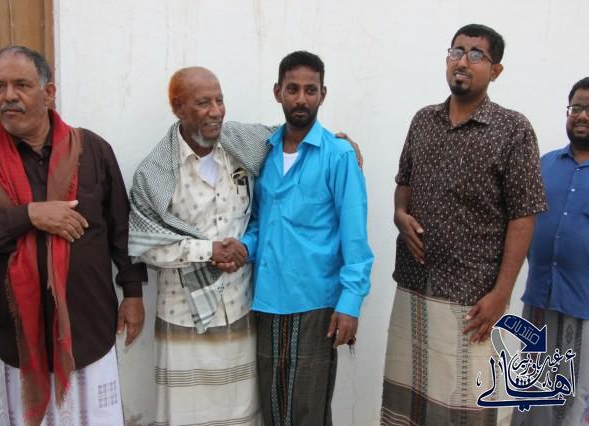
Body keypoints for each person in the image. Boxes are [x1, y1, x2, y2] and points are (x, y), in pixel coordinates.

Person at [0, 46, 146, 425]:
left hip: (89, 330)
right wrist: (27, 216)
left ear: (49, 92)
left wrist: (133, 294)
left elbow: (122, 229)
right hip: (16, 342)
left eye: (21, 85)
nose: (8, 96)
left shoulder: (93, 151)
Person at [380, 24, 547, 425]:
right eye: (457, 51)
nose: (463, 61)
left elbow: (523, 216)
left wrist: (501, 295)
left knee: (466, 405)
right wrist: (400, 215)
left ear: (496, 70)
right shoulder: (423, 120)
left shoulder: (513, 129)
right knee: (409, 403)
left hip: (473, 299)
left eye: (476, 54)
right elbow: (404, 183)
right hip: (415, 286)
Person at [128, 67, 273, 426]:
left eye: (219, 100)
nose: (216, 111)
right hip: (183, 317)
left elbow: (289, 140)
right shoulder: (154, 172)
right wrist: (209, 251)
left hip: (239, 308)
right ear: (178, 107)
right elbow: (144, 243)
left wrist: (337, 142)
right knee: (186, 416)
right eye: (203, 102)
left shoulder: (241, 145)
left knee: (241, 415)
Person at [236, 50, 373, 426]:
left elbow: (356, 240)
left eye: (310, 90)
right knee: (273, 407)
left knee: (308, 410)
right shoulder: (263, 154)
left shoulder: (339, 156)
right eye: (292, 89)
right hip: (267, 301)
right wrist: (243, 247)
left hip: (316, 304)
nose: (301, 99)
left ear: (322, 94)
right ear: (277, 92)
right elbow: (261, 224)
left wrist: (350, 303)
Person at [510, 77, 589, 426]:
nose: (582, 116)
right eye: (576, 108)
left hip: (583, 306)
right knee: (531, 393)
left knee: (571, 401)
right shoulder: (544, 165)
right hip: (539, 300)